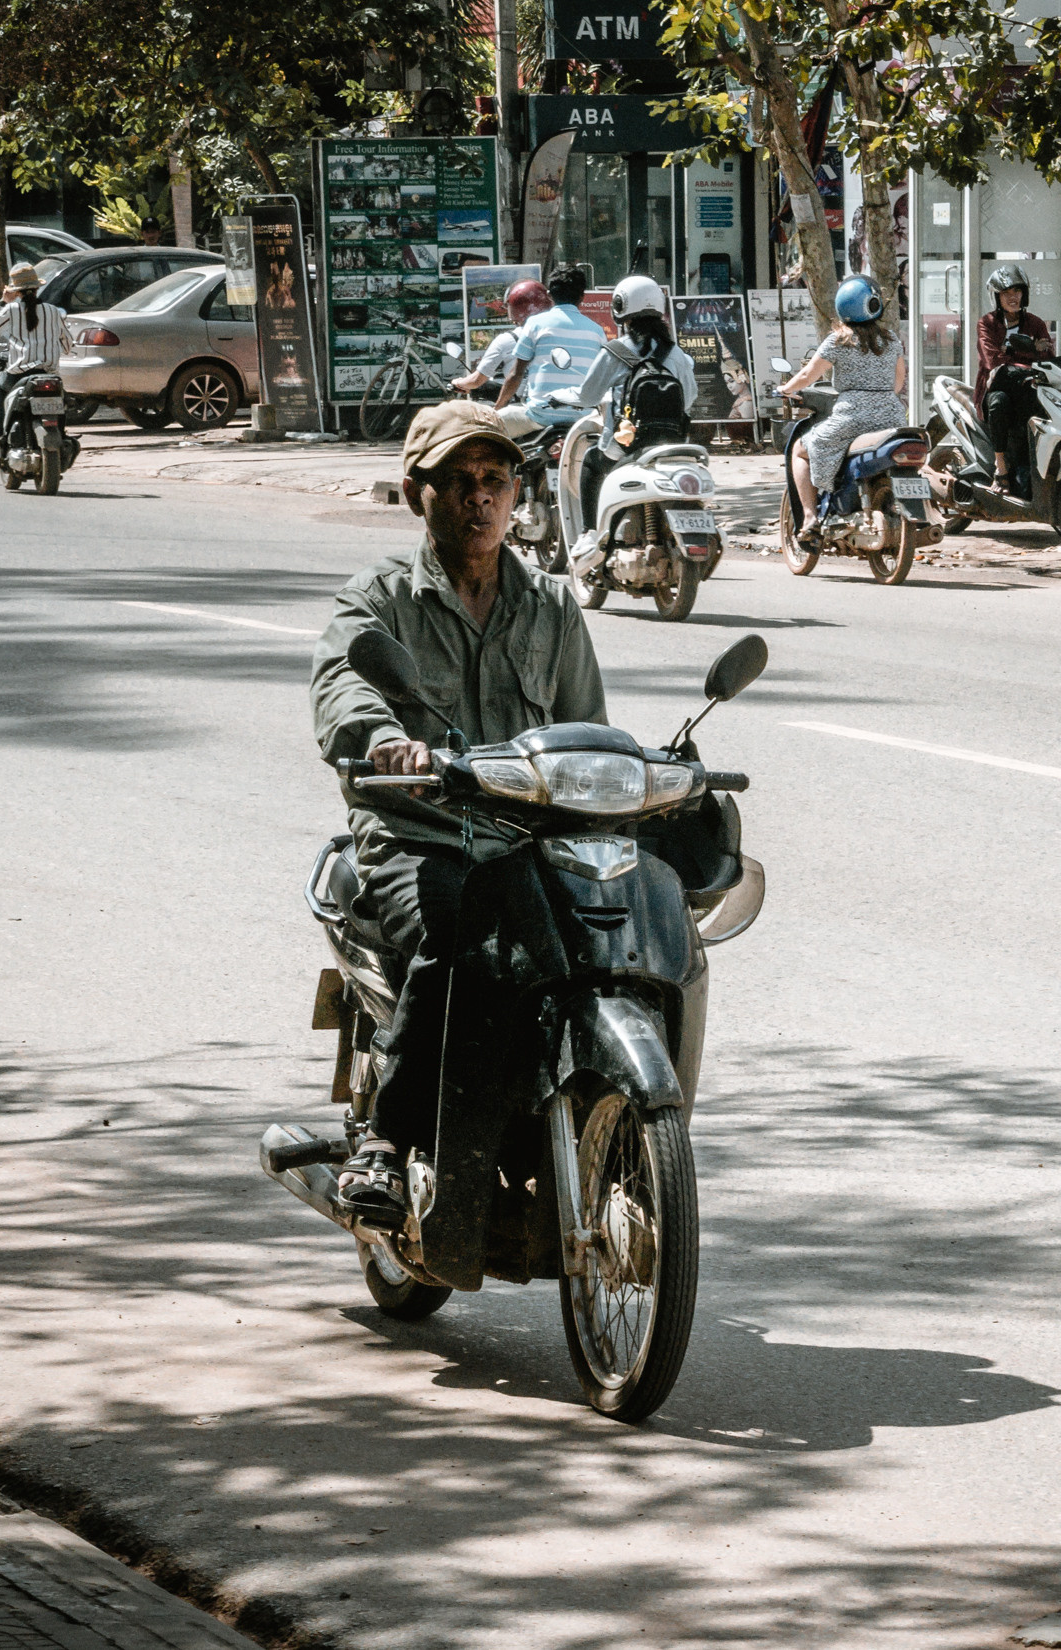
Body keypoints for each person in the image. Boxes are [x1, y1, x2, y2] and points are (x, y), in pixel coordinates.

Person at [309, 401, 610, 1228]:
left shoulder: (550, 605)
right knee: (462, 937)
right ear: (419, 494)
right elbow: (343, 688)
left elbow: (586, 726)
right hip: (417, 837)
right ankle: (386, 1138)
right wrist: (383, 741)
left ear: (517, 494)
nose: (480, 498)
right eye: (459, 481)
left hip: (524, 843)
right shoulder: (380, 599)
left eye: (495, 480)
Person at [563, 275, 699, 556]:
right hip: (672, 444)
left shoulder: (616, 351)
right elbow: (691, 396)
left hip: (627, 443)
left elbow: (588, 396)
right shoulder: (676, 354)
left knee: (591, 462)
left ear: (619, 307)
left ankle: (589, 533)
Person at [776, 275, 906, 548]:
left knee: (801, 449)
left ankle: (810, 518)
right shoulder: (891, 339)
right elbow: (898, 382)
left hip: (851, 415)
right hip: (892, 415)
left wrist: (785, 388)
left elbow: (808, 375)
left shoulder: (839, 340)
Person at [496, 264, 607, 427]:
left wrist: (497, 407)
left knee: (492, 426)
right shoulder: (597, 332)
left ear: (549, 295)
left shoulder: (535, 324)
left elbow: (516, 375)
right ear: (582, 297)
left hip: (540, 415)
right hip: (583, 419)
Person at [974, 264, 1051, 498]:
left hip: (1026, 389)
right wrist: (1028, 348)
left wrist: (1011, 351)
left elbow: (1048, 358)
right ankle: (1001, 468)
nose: (1013, 297)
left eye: (1017, 291)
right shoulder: (986, 323)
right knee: (999, 402)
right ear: (997, 297)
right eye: (1006, 293)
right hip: (994, 387)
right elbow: (992, 361)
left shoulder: (1036, 324)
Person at [0, 263, 66, 449]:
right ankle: (62, 433)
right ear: (37, 287)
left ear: (16, 291)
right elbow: (67, 344)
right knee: (62, 397)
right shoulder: (53, 311)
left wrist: (2, 302)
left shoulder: (10, 310)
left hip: (19, 374)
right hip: (49, 373)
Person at [450, 278, 548, 394]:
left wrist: (457, 382)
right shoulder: (558, 332)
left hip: (526, 405)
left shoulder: (507, 339)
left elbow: (476, 381)